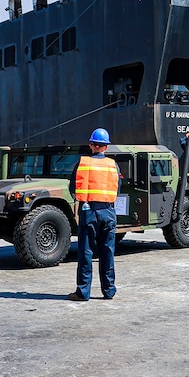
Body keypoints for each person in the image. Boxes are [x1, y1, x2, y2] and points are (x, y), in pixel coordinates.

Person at [68, 128, 121, 301]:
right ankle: (109, 291)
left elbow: (72, 188)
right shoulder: (113, 165)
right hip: (108, 211)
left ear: (91, 145)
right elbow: (118, 189)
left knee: (86, 252)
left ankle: (83, 292)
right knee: (108, 252)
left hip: (89, 211)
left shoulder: (82, 164)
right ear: (106, 147)